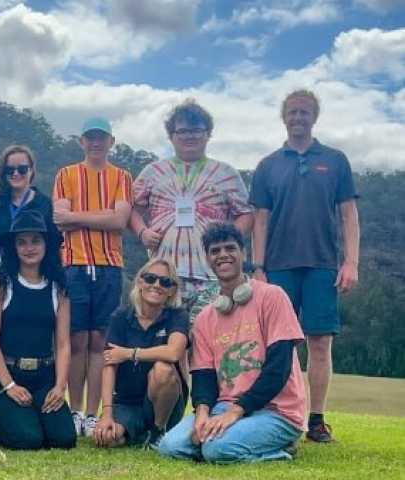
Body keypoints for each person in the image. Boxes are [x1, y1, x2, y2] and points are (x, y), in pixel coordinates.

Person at [250, 89, 359, 443]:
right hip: (278, 266)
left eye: (305, 112)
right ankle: (279, 412)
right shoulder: (268, 165)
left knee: (319, 342)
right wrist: (258, 267)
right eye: (293, 112)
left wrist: (351, 262)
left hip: (322, 265)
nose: (298, 117)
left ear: (315, 116)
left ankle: (316, 419)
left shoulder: (335, 160)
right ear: (284, 117)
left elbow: (348, 215)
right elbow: (260, 220)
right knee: (279, 344)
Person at [158, 223, 306, 463]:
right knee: (170, 446)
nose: (223, 255)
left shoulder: (272, 297)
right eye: (215, 251)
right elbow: (204, 376)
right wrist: (202, 416)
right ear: (207, 258)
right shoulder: (206, 317)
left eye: (230, 248)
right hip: (223, 407)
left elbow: (278, 369)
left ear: (243, 253)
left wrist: (236, 413)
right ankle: (235, 440)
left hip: (276, 411)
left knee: (216, 450)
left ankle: (282, 449)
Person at [130, 100, 253, 323]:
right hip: (164, 277)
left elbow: (246, 214)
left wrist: (227, 242)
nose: (190, 136)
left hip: (211, 275)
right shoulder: (152, 172)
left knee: (208, 338)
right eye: (183, 131)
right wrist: (142, 232)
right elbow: (131, 209)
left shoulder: (226, 173)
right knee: (165, 340)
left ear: (207, 134)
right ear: (171, 135)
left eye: (196, 130)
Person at [52, 117, 133, 436]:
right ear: (82, 141)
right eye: (90, 137)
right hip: (73, 263)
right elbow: (60, 220)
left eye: (101, 137)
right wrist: (100, 217)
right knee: (75, 341)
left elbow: (120, 220)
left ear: (111, 141)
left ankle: (91, 412)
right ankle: (74, 410)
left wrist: (76, 217)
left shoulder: (122, 176)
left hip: (109, 265)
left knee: (100, 341)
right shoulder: (66, 175)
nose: (96, 143)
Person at [0, 209, 76, 450]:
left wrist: (59, 385)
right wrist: (9, 385)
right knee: (29, 439)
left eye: (35, 241)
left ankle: (32, 415)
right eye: (21, 242)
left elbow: (63, 343)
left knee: (64, 439)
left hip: (44, 377)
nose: (29, 248)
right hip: (7, 377)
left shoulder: (58, 288)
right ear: (13, 247)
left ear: (46, 245)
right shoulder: (0, 284)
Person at [93, 259, 188, 450]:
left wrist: (130, 353)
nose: (156, 285)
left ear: (172, 290)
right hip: (128, 403)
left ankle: (157, 431)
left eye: (165, 282)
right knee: (106, 438)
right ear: (139, 282)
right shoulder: (121, 316)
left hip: (166, 401)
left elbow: (173, 353)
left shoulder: (177, 315)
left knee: (162, 369)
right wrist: (107, 414)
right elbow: (110, 364)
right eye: (150, 278)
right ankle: (139, 433)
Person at [0, 145, 60, 306]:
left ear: (32, 171)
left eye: (22, 169)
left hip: (34, 281)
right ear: (3, 173)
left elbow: (54, 246)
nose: (16, 173)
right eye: (10, 170)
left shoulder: (44, 204)